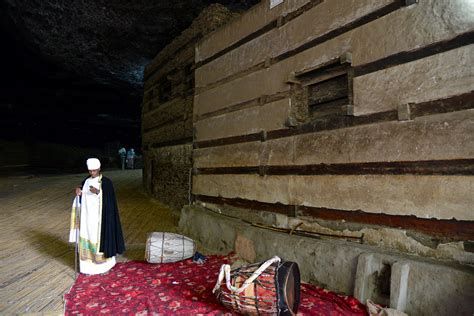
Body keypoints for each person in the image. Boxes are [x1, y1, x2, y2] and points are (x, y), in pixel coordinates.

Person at [70, 158, 125, 275]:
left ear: (99, 169)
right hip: (87, 217)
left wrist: (98, 192)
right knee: (88, 237)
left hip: (101, 219)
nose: (92, 173)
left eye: (94, 171)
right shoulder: (86, 181)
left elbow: (109, 201)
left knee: (99, 240)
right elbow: (81, 194)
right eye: (90, 171)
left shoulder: (106, 182)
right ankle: (87, 267)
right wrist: (79, 191)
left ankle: (104, 267)